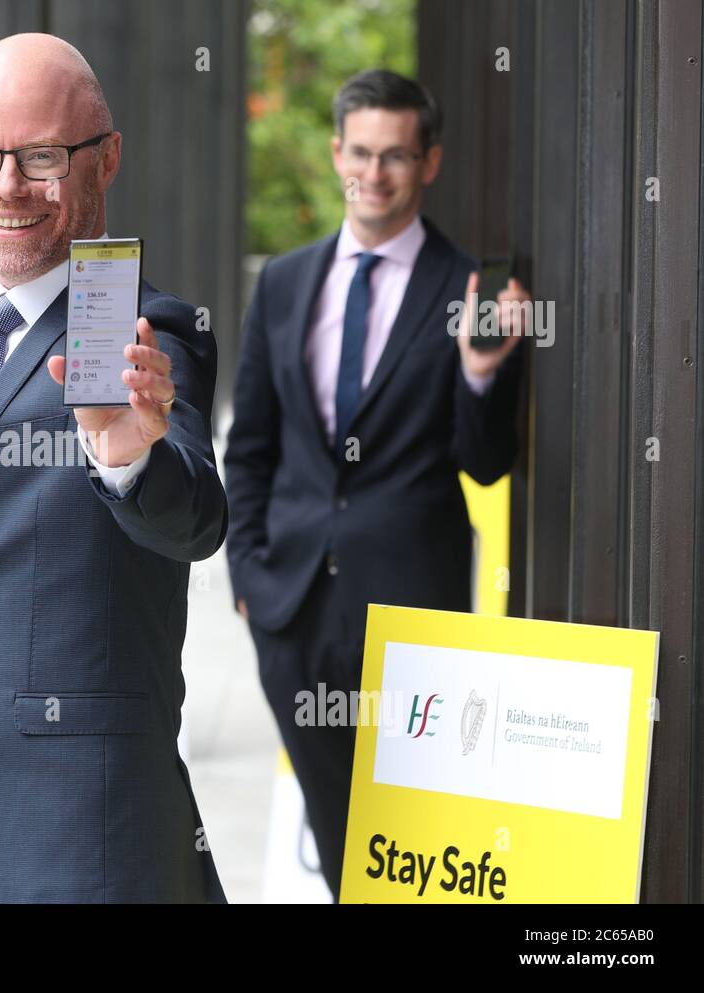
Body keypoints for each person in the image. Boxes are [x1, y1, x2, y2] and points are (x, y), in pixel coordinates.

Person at [0, 34, 228, 903]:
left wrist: (127, 453)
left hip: (77, 831)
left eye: (43, 156)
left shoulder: (148, 333)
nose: (8, 186)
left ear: (106, 161)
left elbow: (194, 515)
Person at [225, 70, 529, 900]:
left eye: (396, 155)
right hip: (290, 611)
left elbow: (486, 463)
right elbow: (249, 446)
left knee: (410, 845)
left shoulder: (466, 288)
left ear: (428, 163)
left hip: (411, 617)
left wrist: (476, 375)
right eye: (359, 152)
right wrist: (247, 577)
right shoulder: (285, 283)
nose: (374, 172)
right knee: (338, 838)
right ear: (336, 154)